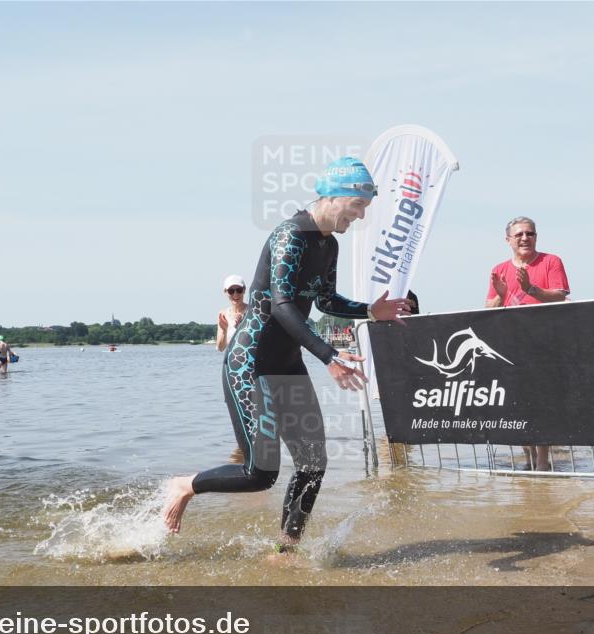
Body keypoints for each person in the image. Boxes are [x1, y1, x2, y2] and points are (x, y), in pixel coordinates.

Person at [161, 157, 411, 552]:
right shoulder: (290, 235)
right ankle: (185, 485)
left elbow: (325, 299)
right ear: (333, 195)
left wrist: (368, 311)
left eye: (365, 207)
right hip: (251, 364)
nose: (361, 215)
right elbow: (281, 306)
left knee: (313, 465)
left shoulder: (329, 245)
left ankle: (286, 550)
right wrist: (329, 355)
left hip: (288, 364)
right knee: (260, 474)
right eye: (358, 205)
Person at [485, 216, 570, 471]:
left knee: (543, 403)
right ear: (508, 239)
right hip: (512, 347)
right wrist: (501, 296)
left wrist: (531, 289)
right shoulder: (499, 269)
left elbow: (559, 297)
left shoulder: (551, 261)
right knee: (517, 404)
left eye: (530, 234)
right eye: (519, 234)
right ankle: (529, 458)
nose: (525, 238)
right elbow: (488, 308)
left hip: (545, 345)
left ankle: (543, 463)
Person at [216, 274, 248, 352]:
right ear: (225, 292)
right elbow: (221, 348)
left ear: (244, 290)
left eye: (239, 290)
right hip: (231, 362)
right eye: (231, 291)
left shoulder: (253, 311)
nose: (235, 294)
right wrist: (224, 330)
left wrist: (241, 327)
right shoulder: (223, 314)